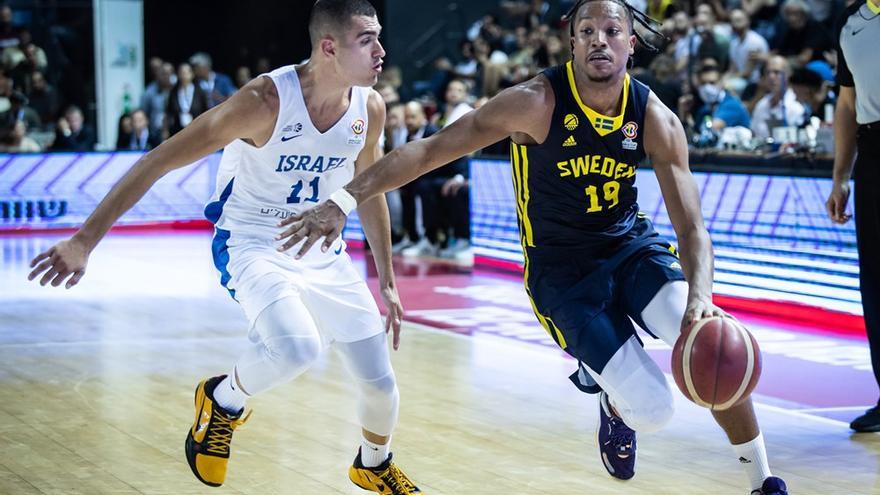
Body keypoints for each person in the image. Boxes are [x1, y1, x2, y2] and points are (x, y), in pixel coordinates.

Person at [280, 0, 789, 493]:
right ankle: (613, 399)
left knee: (713, 343)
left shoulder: (655, 118)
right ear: (571, 43)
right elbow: (429, 150)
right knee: (655, 411)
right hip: (562, 273)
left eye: (611, 32)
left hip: (632, 250)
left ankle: (761, 480)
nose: (598, 41)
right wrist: (344, 199)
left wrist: (701, 295)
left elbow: (693, 229)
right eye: (587, 31)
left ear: (631, 45)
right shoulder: (535, 102)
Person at [26, 1, 421, 493]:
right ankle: (222, 399)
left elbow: (370, 189)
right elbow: (158, 160)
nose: (382, 51)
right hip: (252, 241)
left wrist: (387, 279)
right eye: (368, 39)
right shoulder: (264, 102)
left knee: (381, 384)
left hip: (323, 251)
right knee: (297, 348)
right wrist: (85, 240)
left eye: (379, 37)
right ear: (329, 47)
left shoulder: (370, 108)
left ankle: (374, 463)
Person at [827, 0, 880, 433]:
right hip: (874, 153)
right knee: (876, 283)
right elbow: (846, 104)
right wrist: (840, 177)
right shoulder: (850, 24)